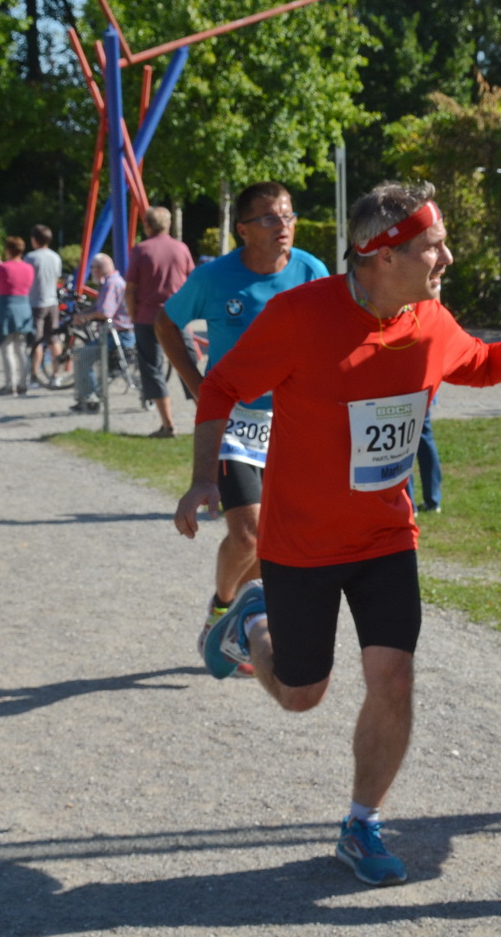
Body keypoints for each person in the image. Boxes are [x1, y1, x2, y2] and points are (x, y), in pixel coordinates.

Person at [175, 181, 501, 887]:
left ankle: (361, 823)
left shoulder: (428, 319)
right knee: (301, 692)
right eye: (433, 246)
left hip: (385, 537)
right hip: (302, 543)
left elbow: (486, 364)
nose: (448, 257)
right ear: (381, 255)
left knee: (394, 676)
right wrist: (204, 478)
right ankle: (251, 620)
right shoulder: (299, 317)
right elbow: (222, 386)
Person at [157, 181, 330, 672]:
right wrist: (197, 385)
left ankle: (243, 616)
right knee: (249, 534)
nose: (283, 226)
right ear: (244, 229)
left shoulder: (311, 271)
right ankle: (221, 610)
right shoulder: (214, 278)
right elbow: (166, 323)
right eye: (271, 218)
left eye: (289, 216)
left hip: (292, 422)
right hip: (234, 421)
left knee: (277, 537)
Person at [124, 206, 195, 437]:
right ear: (168, 224)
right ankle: (207, 417)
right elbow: (192, 282)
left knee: (152, 368)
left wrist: (133, 314)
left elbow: (130, 289)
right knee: (189, 366)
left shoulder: (141, 250)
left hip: (147, 317)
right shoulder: (181, 248)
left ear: (147, 225)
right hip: (178, 316)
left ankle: (168, 424)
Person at [68, 252, 131, 413]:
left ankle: (91, 397)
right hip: (115, 333)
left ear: (100, 268)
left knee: (82, 356)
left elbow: (104, 312)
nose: (91, 271)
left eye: (92, 268)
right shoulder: (110, 282)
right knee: (84, 354)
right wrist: (84, 314)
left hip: (118, 335)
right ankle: (88, 395)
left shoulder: (111, 284)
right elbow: (99, 308)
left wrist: (84, 316)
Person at [0, 236, 35, 396]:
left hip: (7, 307)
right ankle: (24, 383)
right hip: (24, 307)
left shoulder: (2, 268)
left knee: (7, 348)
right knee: (21, 348)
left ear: (8, 250)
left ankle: (10, 384)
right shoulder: (28, 268)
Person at [24, 225, 65, 388]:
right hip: (52, 302)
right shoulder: (55, 257)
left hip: (36, 303)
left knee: (37, 341)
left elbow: (26, 281)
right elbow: (56, 278)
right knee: (54, 340)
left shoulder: (30, 257)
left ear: (34, 240)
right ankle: (56, 375)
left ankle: (35, 376)